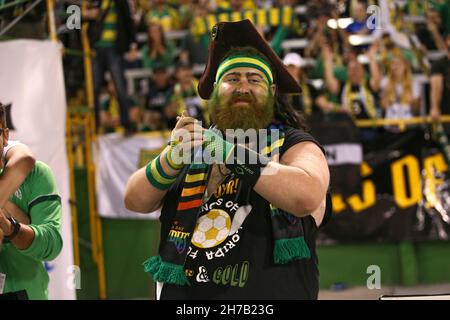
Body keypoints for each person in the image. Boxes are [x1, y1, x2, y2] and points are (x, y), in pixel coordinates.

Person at [124, 20, 331, 299]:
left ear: (271, 92)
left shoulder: (293, 144)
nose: (242, 86)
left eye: (254, 79)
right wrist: (171, 156)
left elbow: (307, 195)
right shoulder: (193, 147)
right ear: (214, 93)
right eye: (232, 79)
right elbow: (134, 200)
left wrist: (228, 152)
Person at [0, 104, 63, 300]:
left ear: (5, 135)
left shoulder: (35, 174)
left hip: (25, 292)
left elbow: (51, 244)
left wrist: (11, 228)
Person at [85, 0, 137, 135]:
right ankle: (95, 124)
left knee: (120, 87)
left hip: (113, 48)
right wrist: (84, 15)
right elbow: (69, 19)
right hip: (95, 49)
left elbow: (128, 20)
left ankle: (126, 124)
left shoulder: (121, 2)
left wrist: (132, 44)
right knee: (94, 89)